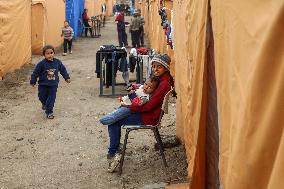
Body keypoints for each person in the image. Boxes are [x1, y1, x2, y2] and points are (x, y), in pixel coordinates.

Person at [106, 53, 173, 172]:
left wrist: (131, 106)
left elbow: (150, 106)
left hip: (149, 117)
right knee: (118, 113)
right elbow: (146, 88)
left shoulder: (164, 84)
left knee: (113, 121)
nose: (155, 69)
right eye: (154, 66)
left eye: (159, 67)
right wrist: (136, 87)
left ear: (165, 68)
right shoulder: (161, 79)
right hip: (148, 113)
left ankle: (113, 154)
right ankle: (115, 148)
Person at [30, 45, 71, 119]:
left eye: (51, 53)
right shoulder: (41, 64)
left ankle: (49, 112)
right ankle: (44, 104)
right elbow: (35, 73)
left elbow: (63, 70)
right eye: (47, 53)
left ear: (54, 53)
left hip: (53, 85)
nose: (50, 55)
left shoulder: (57, 62)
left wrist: (66, 77)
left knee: (51, 99)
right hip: (43, 85)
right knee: (41, 96)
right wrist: (33, 81)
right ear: (44, 55)